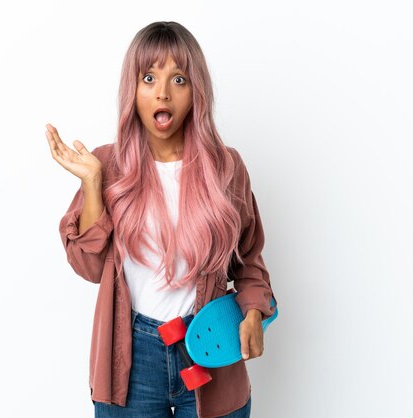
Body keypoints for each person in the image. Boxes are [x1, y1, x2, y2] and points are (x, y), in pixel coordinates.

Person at [46, 21, 278, 418]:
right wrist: (92, 184)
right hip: (132, 359)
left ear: (196, 91)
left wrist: (254, 312)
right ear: (132, 90)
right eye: (149, 77)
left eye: (179, 78)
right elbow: (88, 267)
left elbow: (249, 262)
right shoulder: (106, 166)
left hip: (209, 348)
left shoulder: (226, 168)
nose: (163, 92)